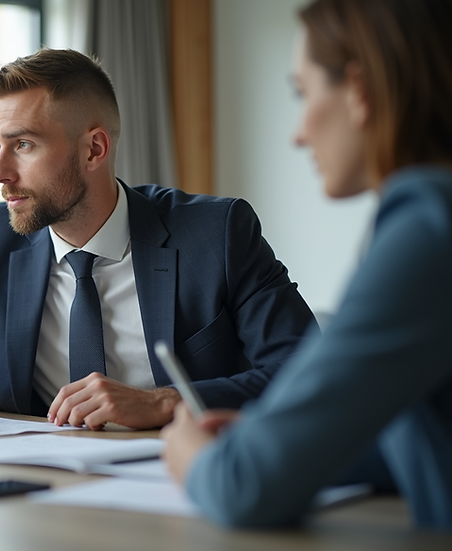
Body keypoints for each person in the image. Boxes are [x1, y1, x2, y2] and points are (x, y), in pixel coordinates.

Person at [0, 48, 316, 430]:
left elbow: (308, 372)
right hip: (36, 499)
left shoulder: (217, 233)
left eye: (23, 145)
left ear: (94, 149)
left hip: (184, 484)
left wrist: (166, 402)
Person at [161, 0, 452, 530]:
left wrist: (200, 459)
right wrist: (273, 438)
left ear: (360, 92)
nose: (297, 133)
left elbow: (246, 489)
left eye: (304, 93)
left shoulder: (429, 229)